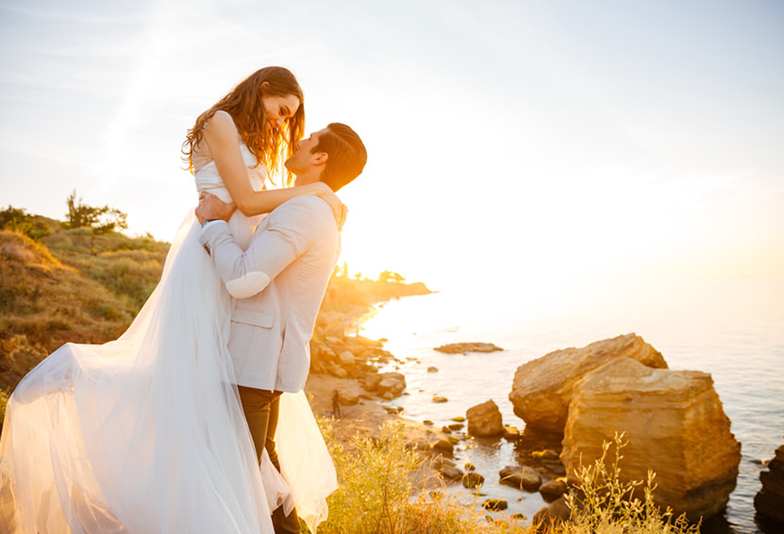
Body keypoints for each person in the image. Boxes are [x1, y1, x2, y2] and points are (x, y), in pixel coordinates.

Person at [0, 67, 345, 533]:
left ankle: (236, 508)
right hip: (209, 258)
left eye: (290, 119)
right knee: (189, 382)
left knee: (212, 397)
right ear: (262, 91)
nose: (283, 125)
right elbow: (244, 198)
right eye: (281, 111)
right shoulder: (221, 121)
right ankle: (75, 378)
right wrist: (318, 189)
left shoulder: (249, 137)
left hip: (231, 258)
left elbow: (253, 211)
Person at [195, 122, 367, 534]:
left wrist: (214, 225)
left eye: (310, 139)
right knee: (263, 471)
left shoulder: (305, 211)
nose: (299, 140)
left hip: (252, 365)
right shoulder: (305, 206)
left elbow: (243, 278)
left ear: (320, 158)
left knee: (240, 479)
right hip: (259, 363)